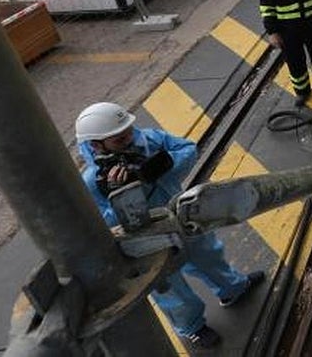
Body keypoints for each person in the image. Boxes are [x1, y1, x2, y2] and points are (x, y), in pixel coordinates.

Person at [75, 102, 264, 349]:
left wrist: (160, 167)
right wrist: (119, 196)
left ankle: (232, 288)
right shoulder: (92, 182)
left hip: (182, 216)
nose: (128, 139)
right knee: (171, 288)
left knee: (208, 254)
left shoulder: (149, 141)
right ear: (96, 144)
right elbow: (104, 224)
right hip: (147, 239)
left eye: (128, 132)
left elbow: (189, 149)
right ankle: (192, 326)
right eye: (119, 140)